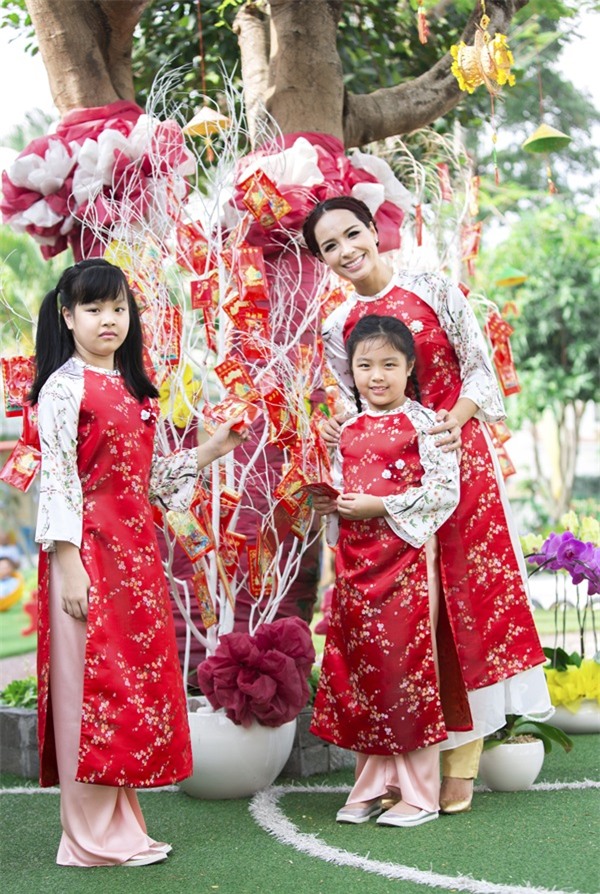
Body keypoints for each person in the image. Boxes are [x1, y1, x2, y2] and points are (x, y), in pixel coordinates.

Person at [303, 196, 551, 815]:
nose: (345, 251)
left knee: (462, 608)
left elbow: (479, 370)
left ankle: (461, 761)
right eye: (329, 246)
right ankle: (401, 763)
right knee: (403, 614)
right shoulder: (337, 325)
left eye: (352, 234)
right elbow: (351, 400)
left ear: (374, 230)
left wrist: (450, 424)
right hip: (387, 479)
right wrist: (337, 424)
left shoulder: (433, 288)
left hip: (456, 458)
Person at [29, 259, 248, 867]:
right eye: (93, 308)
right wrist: (69, 563)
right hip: (86, 553)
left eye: (118, 308)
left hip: (134, 555)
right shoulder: (62, 389)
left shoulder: (132, 389)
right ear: (66, 316)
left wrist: (212, 449)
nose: (109, 319)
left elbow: (147, 481)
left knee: (122, 686)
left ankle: (120, 828)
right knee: (88, 689)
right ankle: (88, 840)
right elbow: (58, 481)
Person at [311, 314, 460, 826]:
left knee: (406, 670)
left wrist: (381, 506)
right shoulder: (345, 430)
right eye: (365, 365)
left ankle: (420, 793)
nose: (376, 376)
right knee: (364, 671)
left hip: (406, 566)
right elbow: (338, 488)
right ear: (350, 370)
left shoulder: (429, 425)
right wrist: (329, 503)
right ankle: (372, 786)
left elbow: (444, 492)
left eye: (389, 364)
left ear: (409, 367)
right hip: (354, 568)